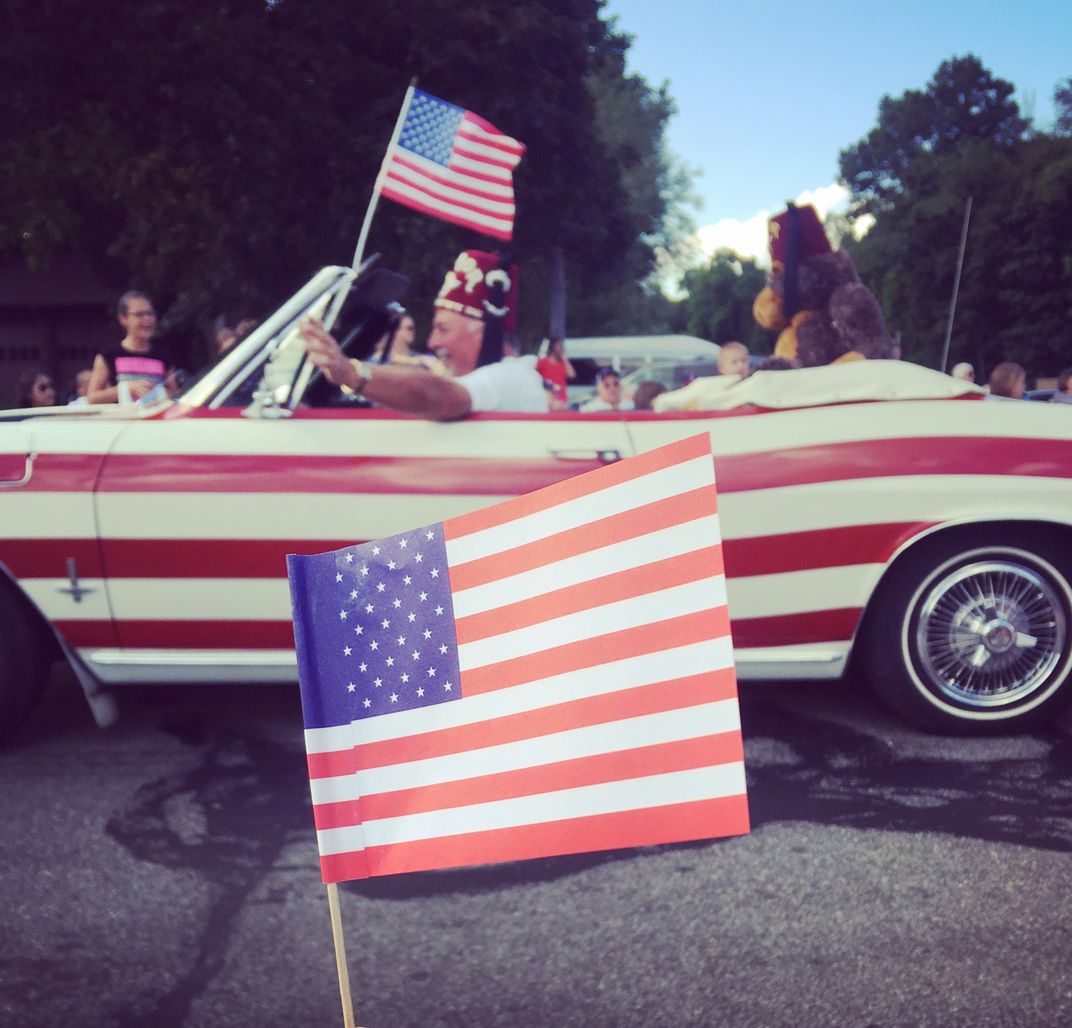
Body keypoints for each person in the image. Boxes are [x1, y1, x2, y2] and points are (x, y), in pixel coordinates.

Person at [299, 250, 547, 419]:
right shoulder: (512, 379)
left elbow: (440, 396)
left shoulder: (509, 378)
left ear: (483, 333)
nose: (432, 342)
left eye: (442, 328)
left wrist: (351, 373)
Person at [87, 291, 172, 404]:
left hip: (157, 420)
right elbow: (92, 398)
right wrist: (125, 388)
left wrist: (163, 393)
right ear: (124, 319)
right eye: (139, 314)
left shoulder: (163, 356)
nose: (147, 319)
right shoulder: (109, 355)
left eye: (150, 313)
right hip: (123, 420)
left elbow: (177, 394)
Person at [536, 337, 575, 410]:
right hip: (548, 401)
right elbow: (535, 377)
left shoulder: (563, 363)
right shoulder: (542, 362)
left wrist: (565, 359)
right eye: (559, 346)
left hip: (562, 402)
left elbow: (572, 375)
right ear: (553, 347)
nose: (562, 349)